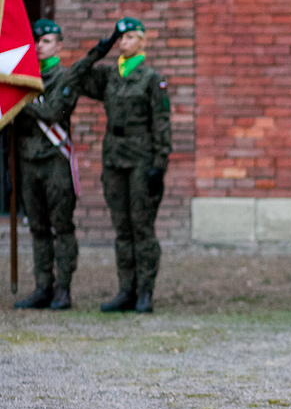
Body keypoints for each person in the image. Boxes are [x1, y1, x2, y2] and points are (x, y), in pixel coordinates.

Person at [69, 17, 171, 313]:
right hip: (114, 157)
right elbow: (74, 78)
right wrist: (100, 49)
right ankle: (126, 290)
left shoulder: (151, 78)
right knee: (122, 228)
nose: (122, 43)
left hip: (141, 158)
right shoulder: (109, 76)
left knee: (142, 228)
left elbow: (162, 123)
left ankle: (145, 292)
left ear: (142, 41)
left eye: (128, 37)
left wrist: (159, 165)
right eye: (120, 38)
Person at [12, 19, 79, 310]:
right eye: (37, 41)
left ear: (59, 45)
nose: (40, 45)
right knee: (38, 228)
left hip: (54, 162)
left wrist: (22, 100)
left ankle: (62, 289)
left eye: (47, 41)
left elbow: (53, 112)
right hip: (29, 160)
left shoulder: (65, 77)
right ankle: (42, 287)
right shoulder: (24, 76)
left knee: (61, 226)